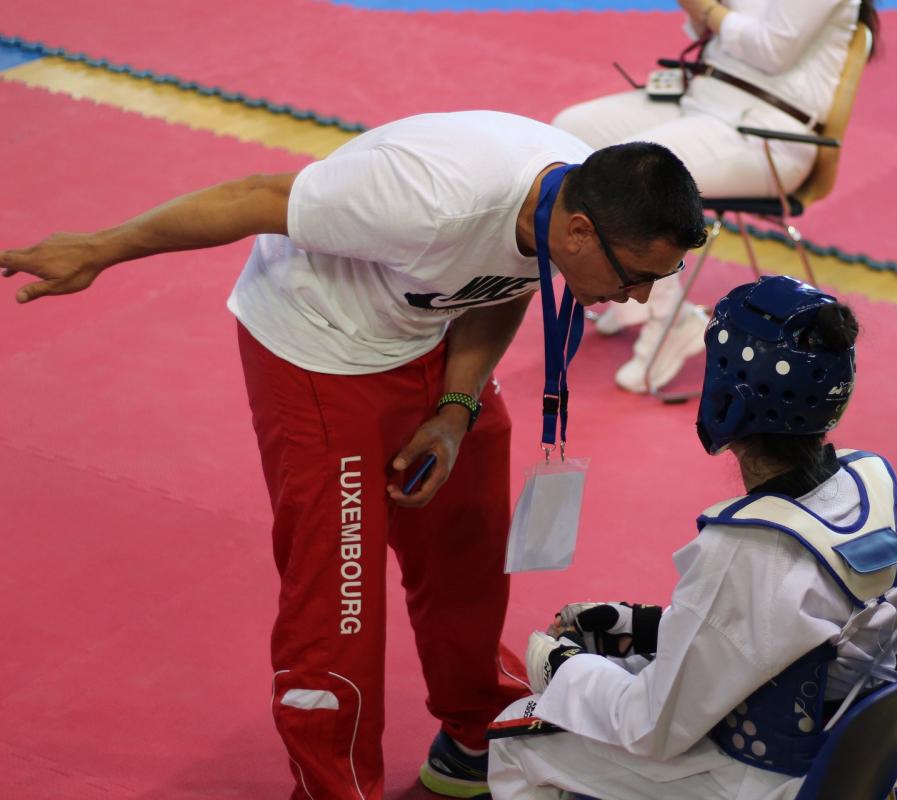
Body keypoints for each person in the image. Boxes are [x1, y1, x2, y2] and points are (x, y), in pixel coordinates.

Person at [0, 110, 706, 800]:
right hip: (318, 353)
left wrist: (456, 413)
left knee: (470, 545)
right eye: (637, 275)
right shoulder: (425, 198)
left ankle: (472, 736)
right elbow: (253, 198)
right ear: (579, 232)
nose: (641, 296)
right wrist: (100, 247)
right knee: (339, 598)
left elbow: (506, 281)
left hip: (429, 337)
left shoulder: (566, 205)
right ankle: (335, 786)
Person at [489, 276, 897, 799]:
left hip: (755, 779)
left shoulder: (749, 552)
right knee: (617, 670)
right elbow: (779, 632)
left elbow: (650, 727)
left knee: (519, 732)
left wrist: (561, 668)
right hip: (843, 761)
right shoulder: (872, 489)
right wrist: (644, 626)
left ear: (727, 396)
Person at [553, 0, 881, 394]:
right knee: (569, 133)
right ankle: (634, 287)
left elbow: (772, 50)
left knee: (637, 178)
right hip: (701, 100)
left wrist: (705, 7)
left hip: (765, 129)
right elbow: (709, 35)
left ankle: (672, 321)